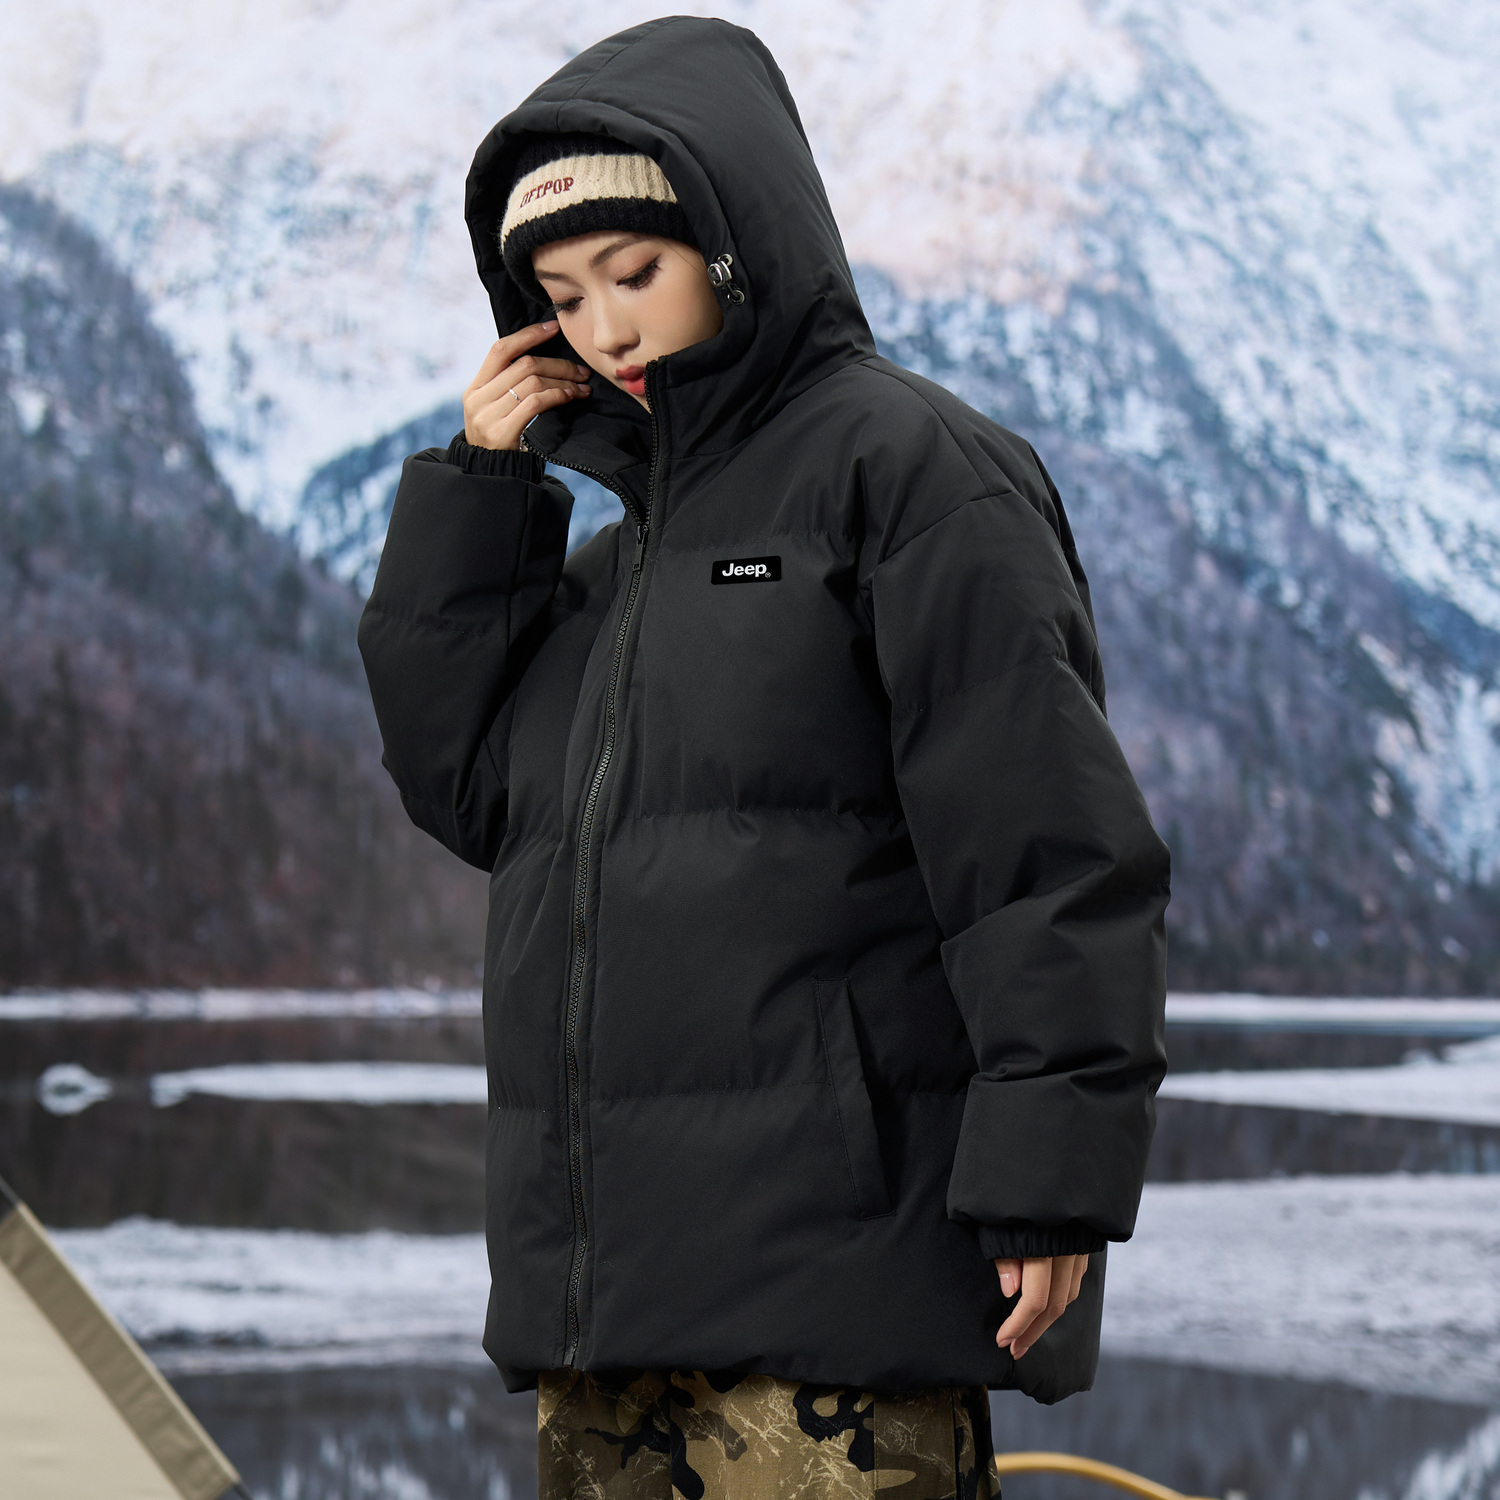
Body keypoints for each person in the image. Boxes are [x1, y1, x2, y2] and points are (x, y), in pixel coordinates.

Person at [358, 16, 1169, 1498]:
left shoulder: (908, 473)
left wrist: (1051, 1177)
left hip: (838, 1300)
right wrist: (480, 503)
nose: (605, 330)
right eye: (562, 297)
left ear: (735, 248)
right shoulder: (612, 571)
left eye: (634, 273)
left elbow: (1047, 854)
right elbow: (470, 794)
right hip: (609, 1309)